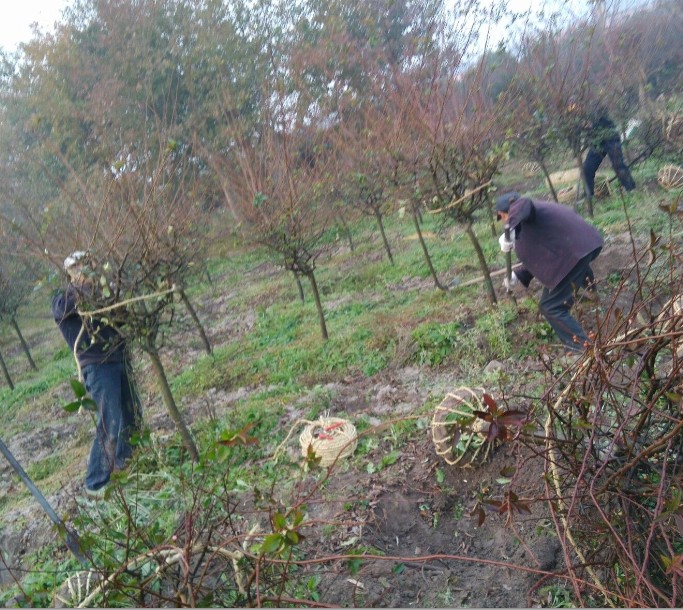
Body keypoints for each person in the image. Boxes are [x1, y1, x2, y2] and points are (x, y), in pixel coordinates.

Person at [52, 251, 141, 495]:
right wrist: (85, 286)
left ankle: (127, 461)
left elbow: (120, 316)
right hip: (98, 366)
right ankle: (96, 482)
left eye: (87, 264)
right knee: (109, 422)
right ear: (69, 272)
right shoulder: (63, 299)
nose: (84, 269)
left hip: (119, 357)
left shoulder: (103, 294)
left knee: (132, 412)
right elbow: (64, 309)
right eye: (77, 266)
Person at [496, 192, 603, 354]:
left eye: (504, 216)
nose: (504, 220)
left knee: (551, 307)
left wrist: (509, 227)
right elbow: (541, 255)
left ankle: (584, 350)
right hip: (583, 246)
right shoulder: (530, 222)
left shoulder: (527, 209)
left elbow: (523, 204)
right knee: (578, 267)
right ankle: (592, 292)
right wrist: (518, 275)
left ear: (510, 210)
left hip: (572, 254)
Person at [582, 107, 636, 198]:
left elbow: (604, 116)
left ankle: (630, 189)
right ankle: (589, 196)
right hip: (597, 142)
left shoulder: (593, 105)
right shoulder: (576, 115)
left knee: (618, 165)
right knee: (587, 167)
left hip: (610, 137)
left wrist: (592, 125)